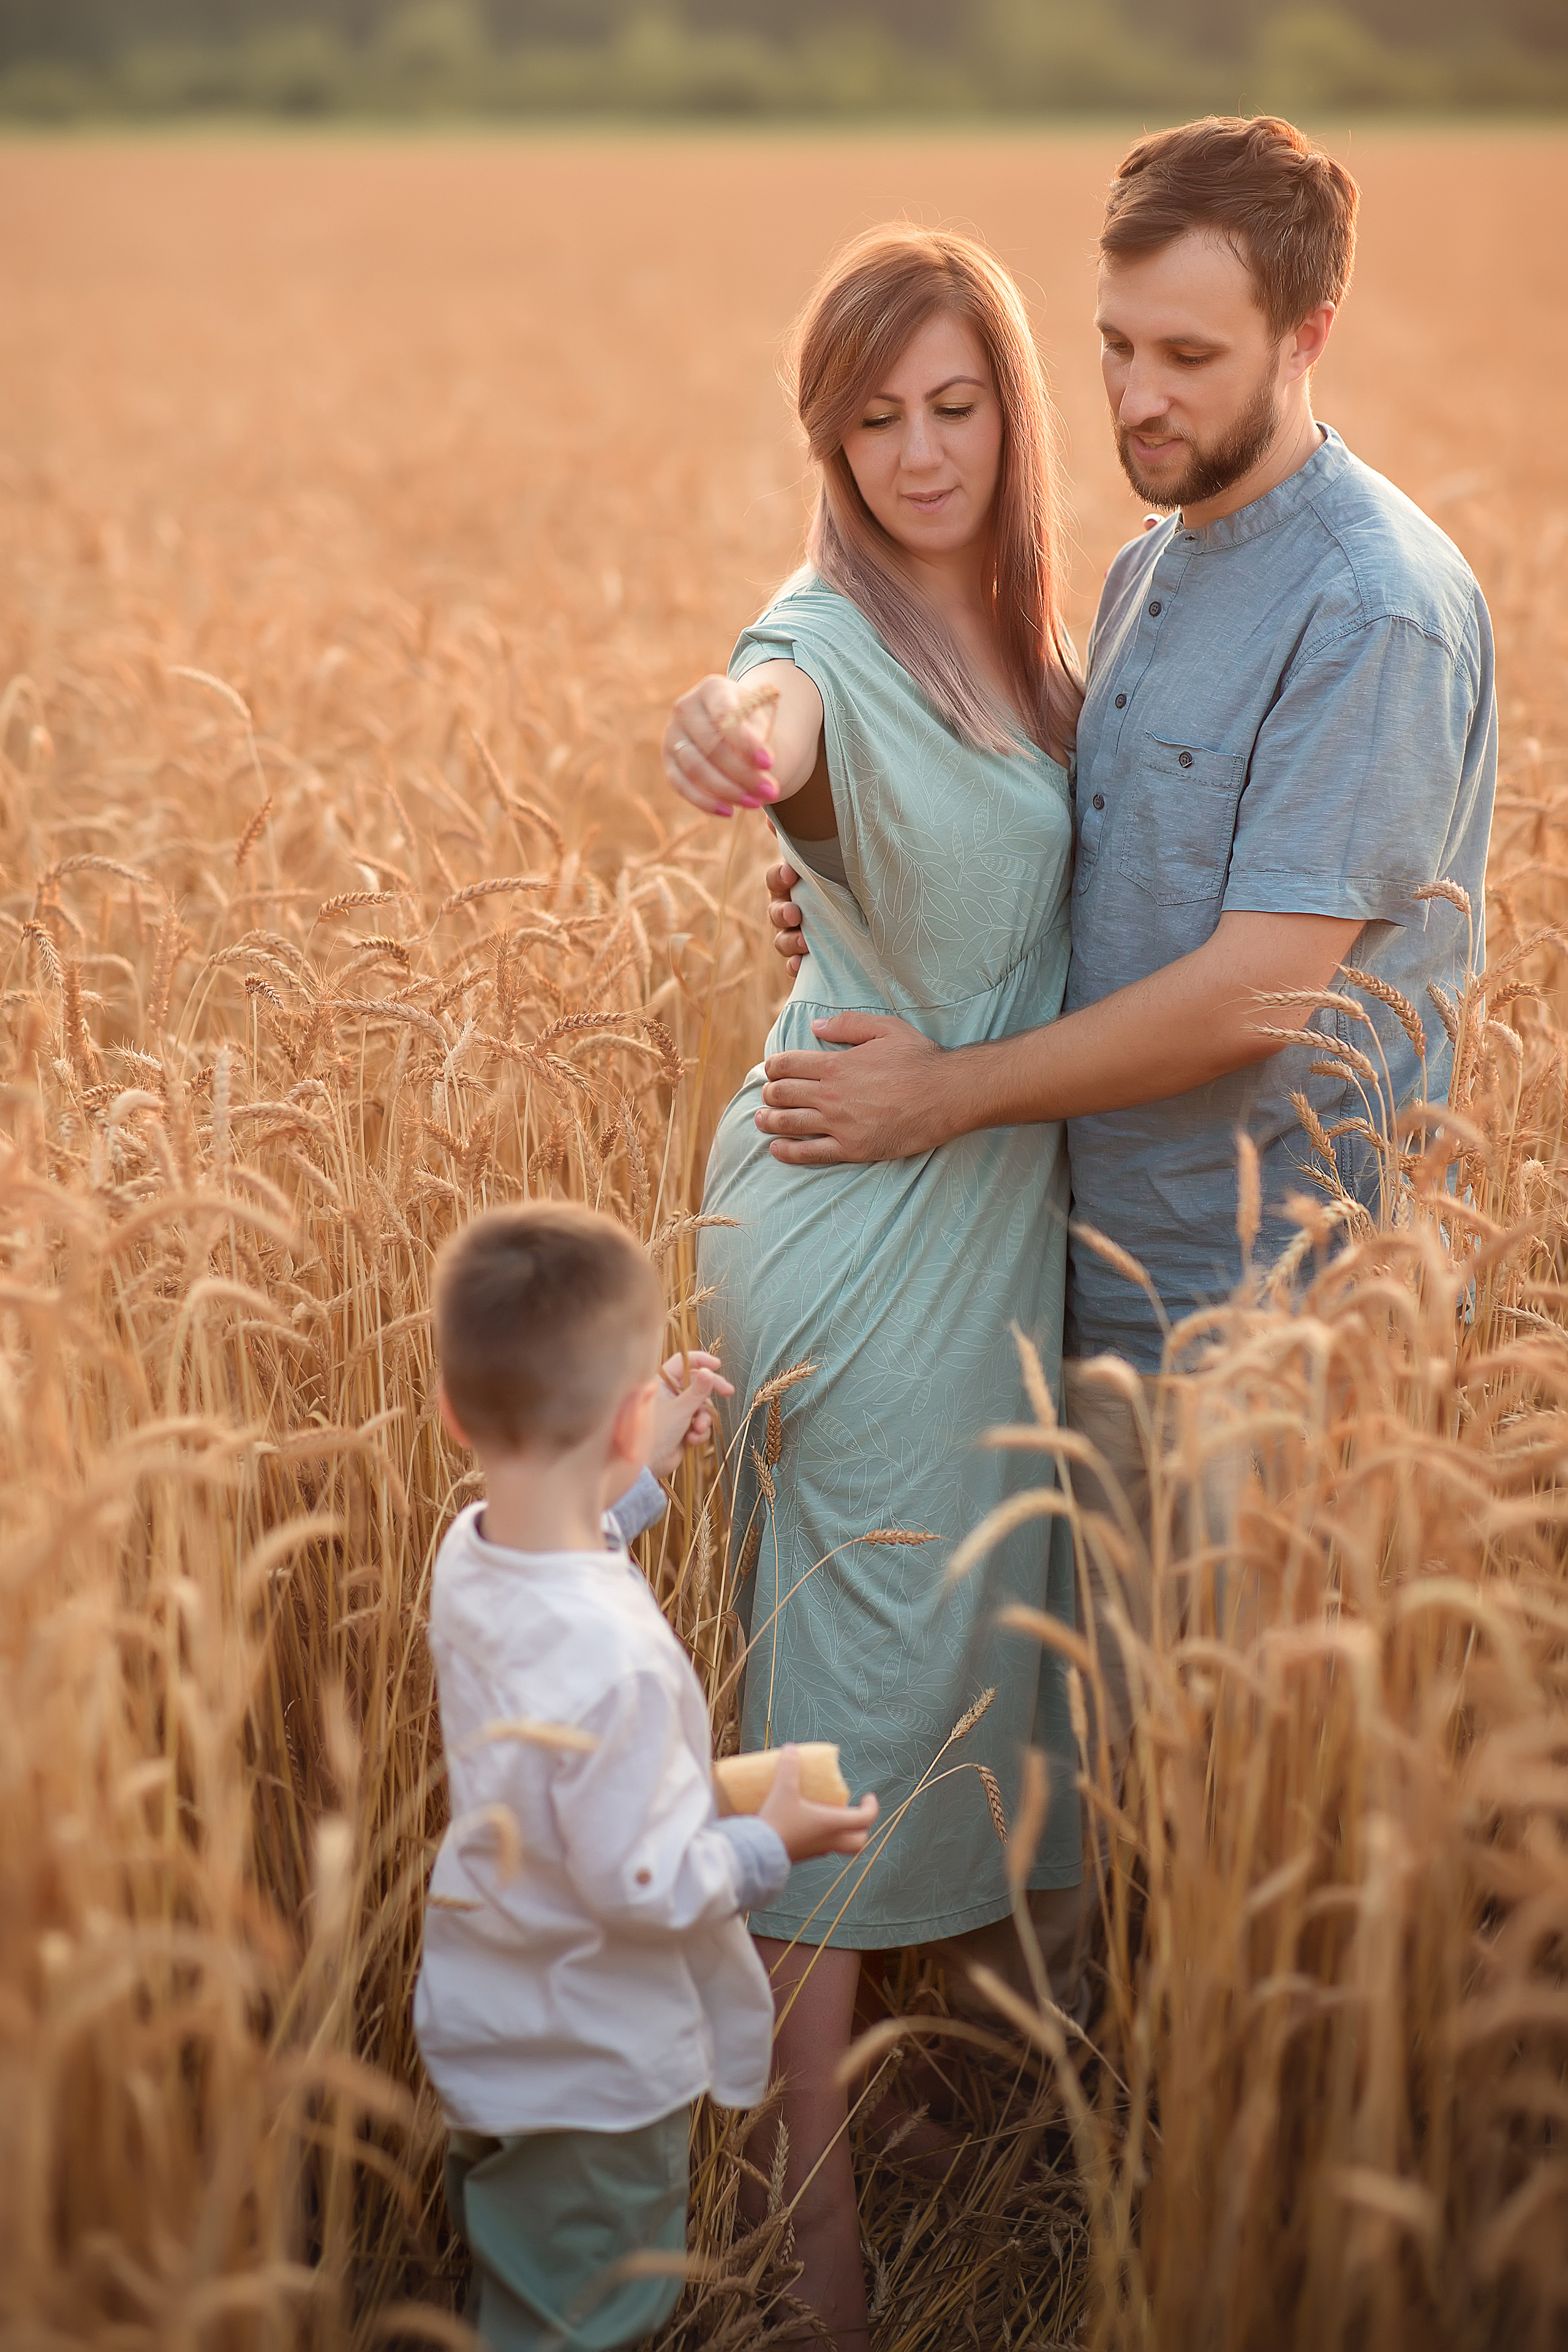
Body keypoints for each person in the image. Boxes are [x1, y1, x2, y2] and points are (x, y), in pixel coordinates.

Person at [669, 116, 1498, 1981]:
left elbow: (1257, 995)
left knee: (1248, 1800)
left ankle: (1212, 2184)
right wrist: (846, 886)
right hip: (1066, 1275)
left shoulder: (1370, 602)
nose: (1137, 392)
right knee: (1091, 1760)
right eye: (1118, 344)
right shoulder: (1149, 573)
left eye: (1189, 357)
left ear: (1311, 336)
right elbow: (1022, 850)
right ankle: (1074, 2131)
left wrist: (938, 1092)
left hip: (1261, 1297)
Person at [662, 225, 1088, 2350]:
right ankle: (799, 2219)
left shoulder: (1010, 623)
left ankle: (839, 2109)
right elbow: (775, 701)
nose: (922, 450)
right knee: (835, 1706)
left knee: (889, 1670)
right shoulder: (830, 627)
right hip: (866, 1214)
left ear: (1014, 407)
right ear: (826, 440)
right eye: (876, 417)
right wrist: (742, 746)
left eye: (959, 402)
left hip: (954, 1177)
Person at [412, 1202, 877, 2352]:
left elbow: (566, 1552)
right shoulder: (614, 1667)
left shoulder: (470, 1557)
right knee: (590, 2322)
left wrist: (634, 1469)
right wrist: (775, 1839)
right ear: (626, 1415)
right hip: (592, 2070)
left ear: (451, 1411)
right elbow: (646, 1883)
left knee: (528, 2287)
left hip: (492, 2028)